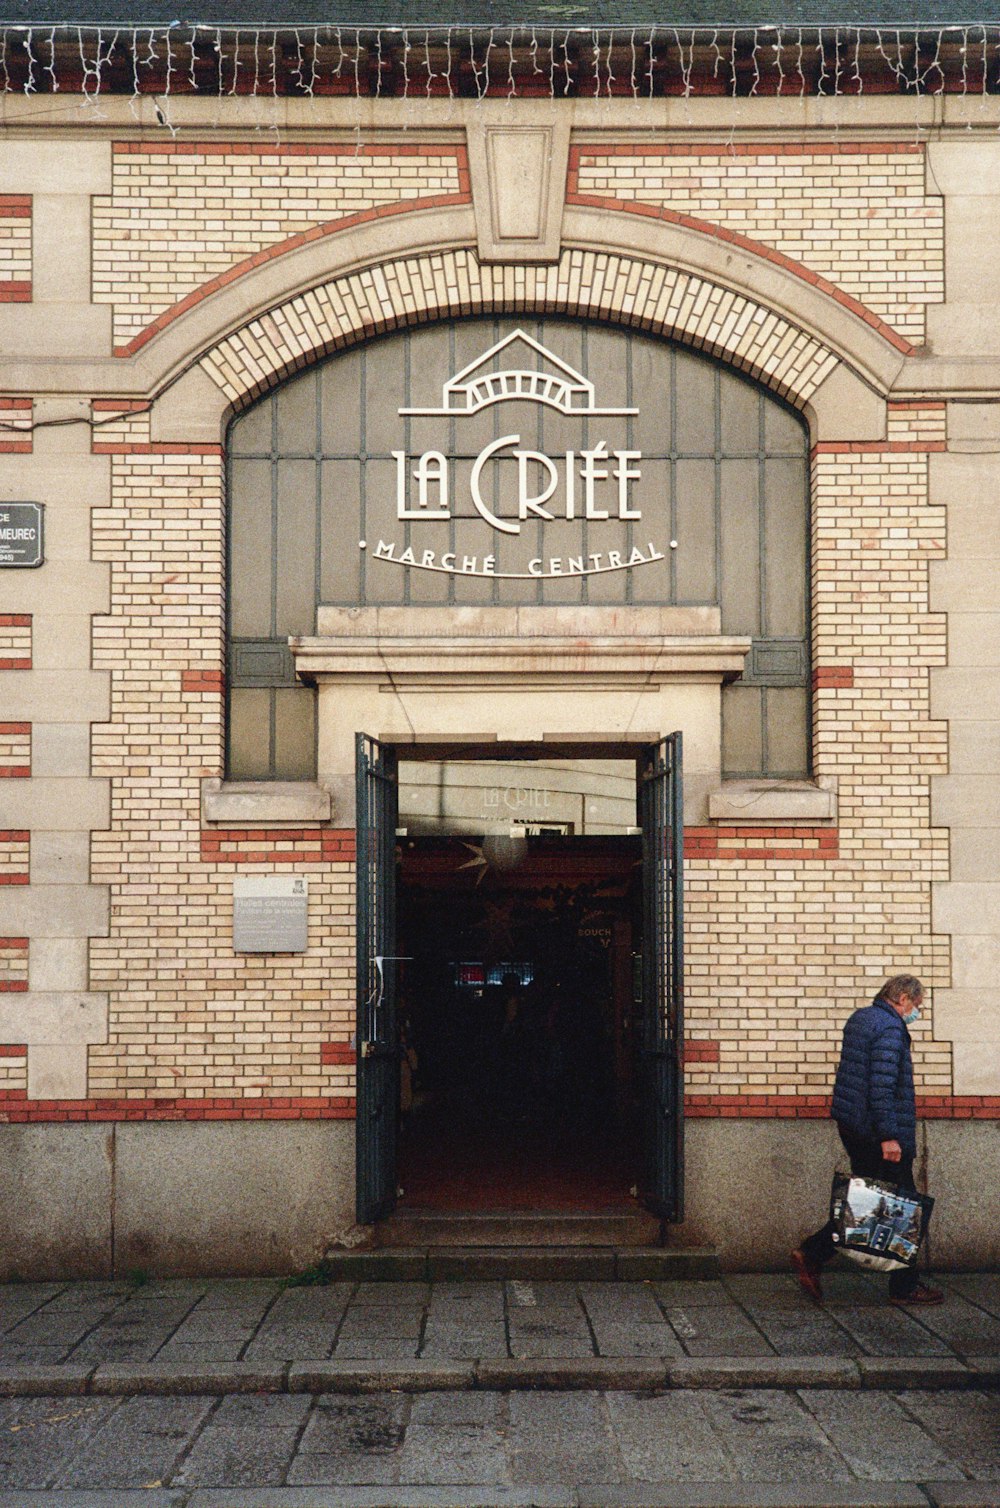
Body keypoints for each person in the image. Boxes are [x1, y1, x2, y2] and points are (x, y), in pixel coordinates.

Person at [792, 974, 943, 1306]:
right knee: (901, 1206)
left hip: (855, 1128)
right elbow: (881, 1087)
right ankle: (901, 1286)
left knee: (871, 1203)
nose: (917, 1012)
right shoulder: (889, 1029)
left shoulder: (862, 1018)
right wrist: (889, 1136)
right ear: (902, 998)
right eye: (917, 1005)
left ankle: (816, 1253)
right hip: (878, 1133)